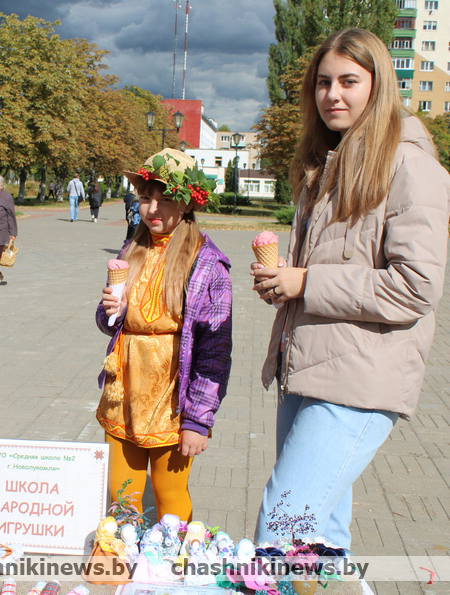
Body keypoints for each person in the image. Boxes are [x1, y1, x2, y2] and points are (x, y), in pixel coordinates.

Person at [251, 28, 450, 547]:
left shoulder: (412, 166)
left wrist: (307, 282)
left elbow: (417, 286)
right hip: (306, 368)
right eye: (323, 82)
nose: (332, 95)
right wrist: (285, 284)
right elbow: (327, 268)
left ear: (378, 85)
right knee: (319, 542)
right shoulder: (326, 165)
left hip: (360, 378)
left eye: (348, 81)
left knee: (281, 530)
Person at [95, 149, 232, 521]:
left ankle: (174, 555)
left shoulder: (207, 263)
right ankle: (119, 551)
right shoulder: (132, 249)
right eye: (145, 198)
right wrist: (112, 311)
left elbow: (215, 350)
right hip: (123, 390)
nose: (152, 208)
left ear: (187, 203)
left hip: (173, 398)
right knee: (122, 491)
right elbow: (107, 322)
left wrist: (198, 419)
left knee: (168, 493)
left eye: (166, 199)